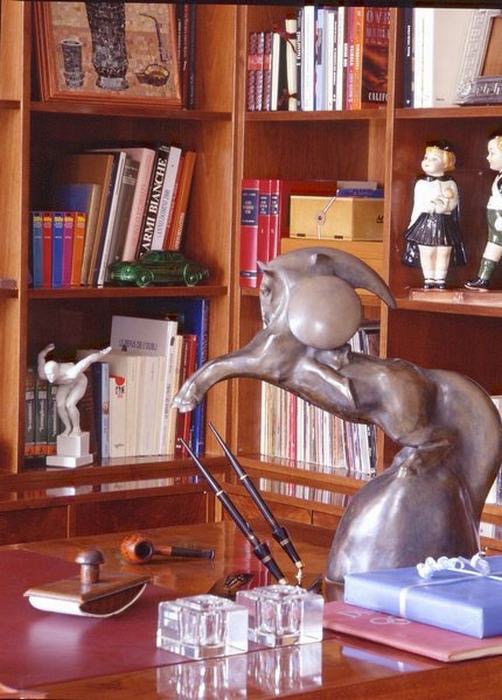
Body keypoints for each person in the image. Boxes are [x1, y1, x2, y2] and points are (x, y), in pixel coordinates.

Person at [402, 141, 466, 289]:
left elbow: (454, 202)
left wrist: (445, 205)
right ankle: (429, 278)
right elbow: (418, 204)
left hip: (444, 222)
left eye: (434, 159)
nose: (427, 161)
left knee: (444, 251)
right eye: (426, 157)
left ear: (446, 162)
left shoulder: (450, 183)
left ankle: (440, 278)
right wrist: (414, 221)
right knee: (427, 251)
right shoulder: (421, 184)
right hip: (427, 222)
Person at [38, 343, 111, 437]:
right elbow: (40, 357)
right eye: (48, 374)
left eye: (52, 374)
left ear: (57, 371)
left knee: (70, 404)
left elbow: (87, 360)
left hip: (79, 381)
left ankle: (76, 428)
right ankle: (68, 428)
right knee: (60, 405)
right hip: (65, 383)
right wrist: (45, 351)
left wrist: (101, 353)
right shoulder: (43, 375)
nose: (50, 377)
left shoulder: (71, 373)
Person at [465, 131, 502, 290]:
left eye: (492, 153)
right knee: (493, 247)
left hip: (499, 219)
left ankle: (483, 278)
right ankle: (483, 278)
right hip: (496, 218)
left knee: (494, 246)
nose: (488, 157)